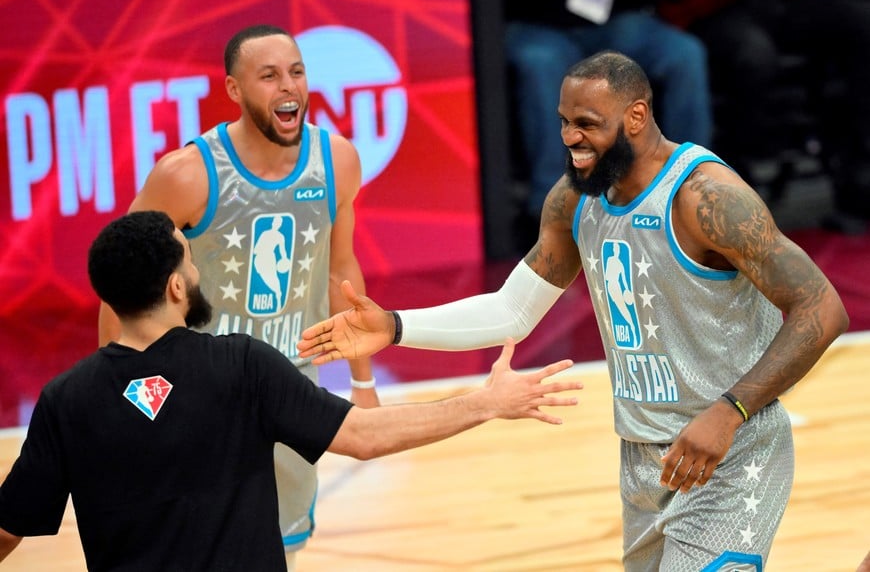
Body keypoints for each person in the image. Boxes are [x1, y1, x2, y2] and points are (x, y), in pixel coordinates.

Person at [298, 51, 850, 569]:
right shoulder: (574, 200)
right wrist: (396, 326)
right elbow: (512, 310)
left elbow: (822, 309)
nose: (569, 138)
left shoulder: (706, 198)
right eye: (564, 121)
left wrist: (730, 411)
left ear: (636, 116)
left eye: (587, 123)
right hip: (645, 457)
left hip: (729, 453)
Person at [0, 211, 581, 571]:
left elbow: (8, 528)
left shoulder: (65, 400)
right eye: (191, 262)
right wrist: (485, 402)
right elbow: (364, 437)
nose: (198, 274)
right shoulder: (240, 365)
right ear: (176, 286)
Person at [96, 24, 379, 563]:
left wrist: (362, 382)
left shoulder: (337, 160)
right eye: (268, 76)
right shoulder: (187, 175)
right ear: (233, 88)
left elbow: (340, 269)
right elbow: (122, 288)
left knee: (283, 550)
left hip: (292, 386)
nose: (288, 86)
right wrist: (121, 402)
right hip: (198, 394)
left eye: (296, 72)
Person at [658, 0, 870, 234]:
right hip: (713, 11)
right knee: (755, 56)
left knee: (861, 21)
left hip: (778, 3)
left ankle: (860, 179)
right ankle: (738, 171)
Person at [504, 0, 713, 225]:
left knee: (685, 54)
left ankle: (686, 189)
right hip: (535, 21)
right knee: (541, 64)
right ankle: (552, 207)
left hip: (614, 19)